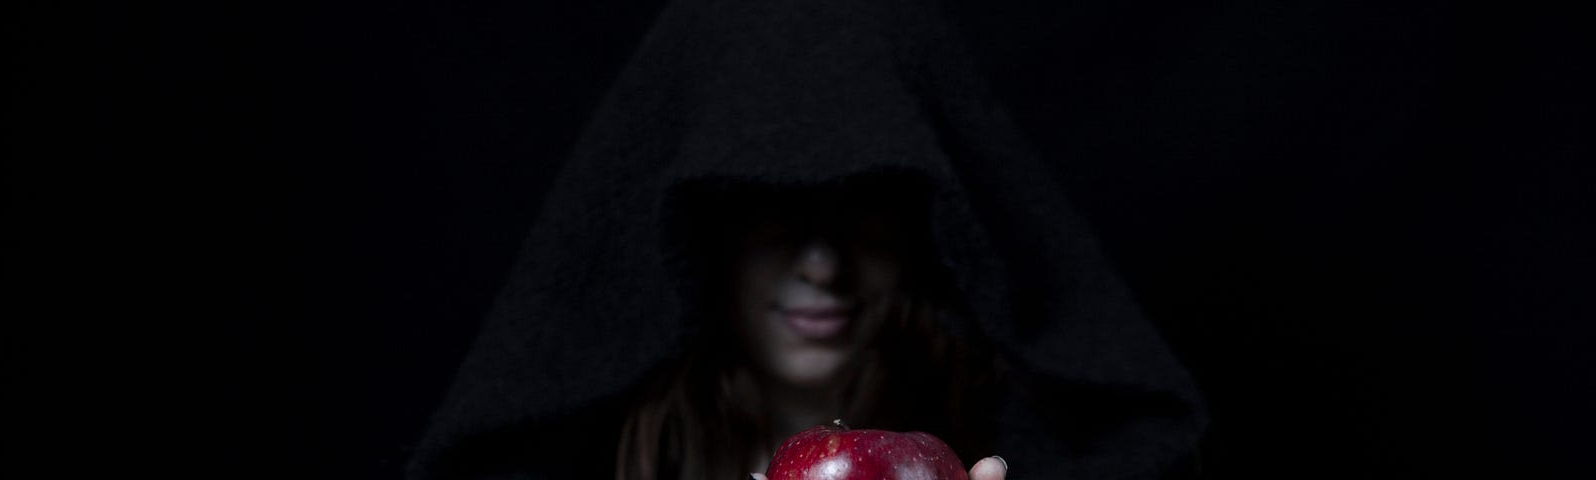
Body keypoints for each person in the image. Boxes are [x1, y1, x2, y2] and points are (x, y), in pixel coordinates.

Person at [409, 0, 1207, 478]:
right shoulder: (575, 461)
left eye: (863, 209)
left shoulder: (1039, 457)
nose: (824, 265)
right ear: (701, 231)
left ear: (927, 224)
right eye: (772, 213)